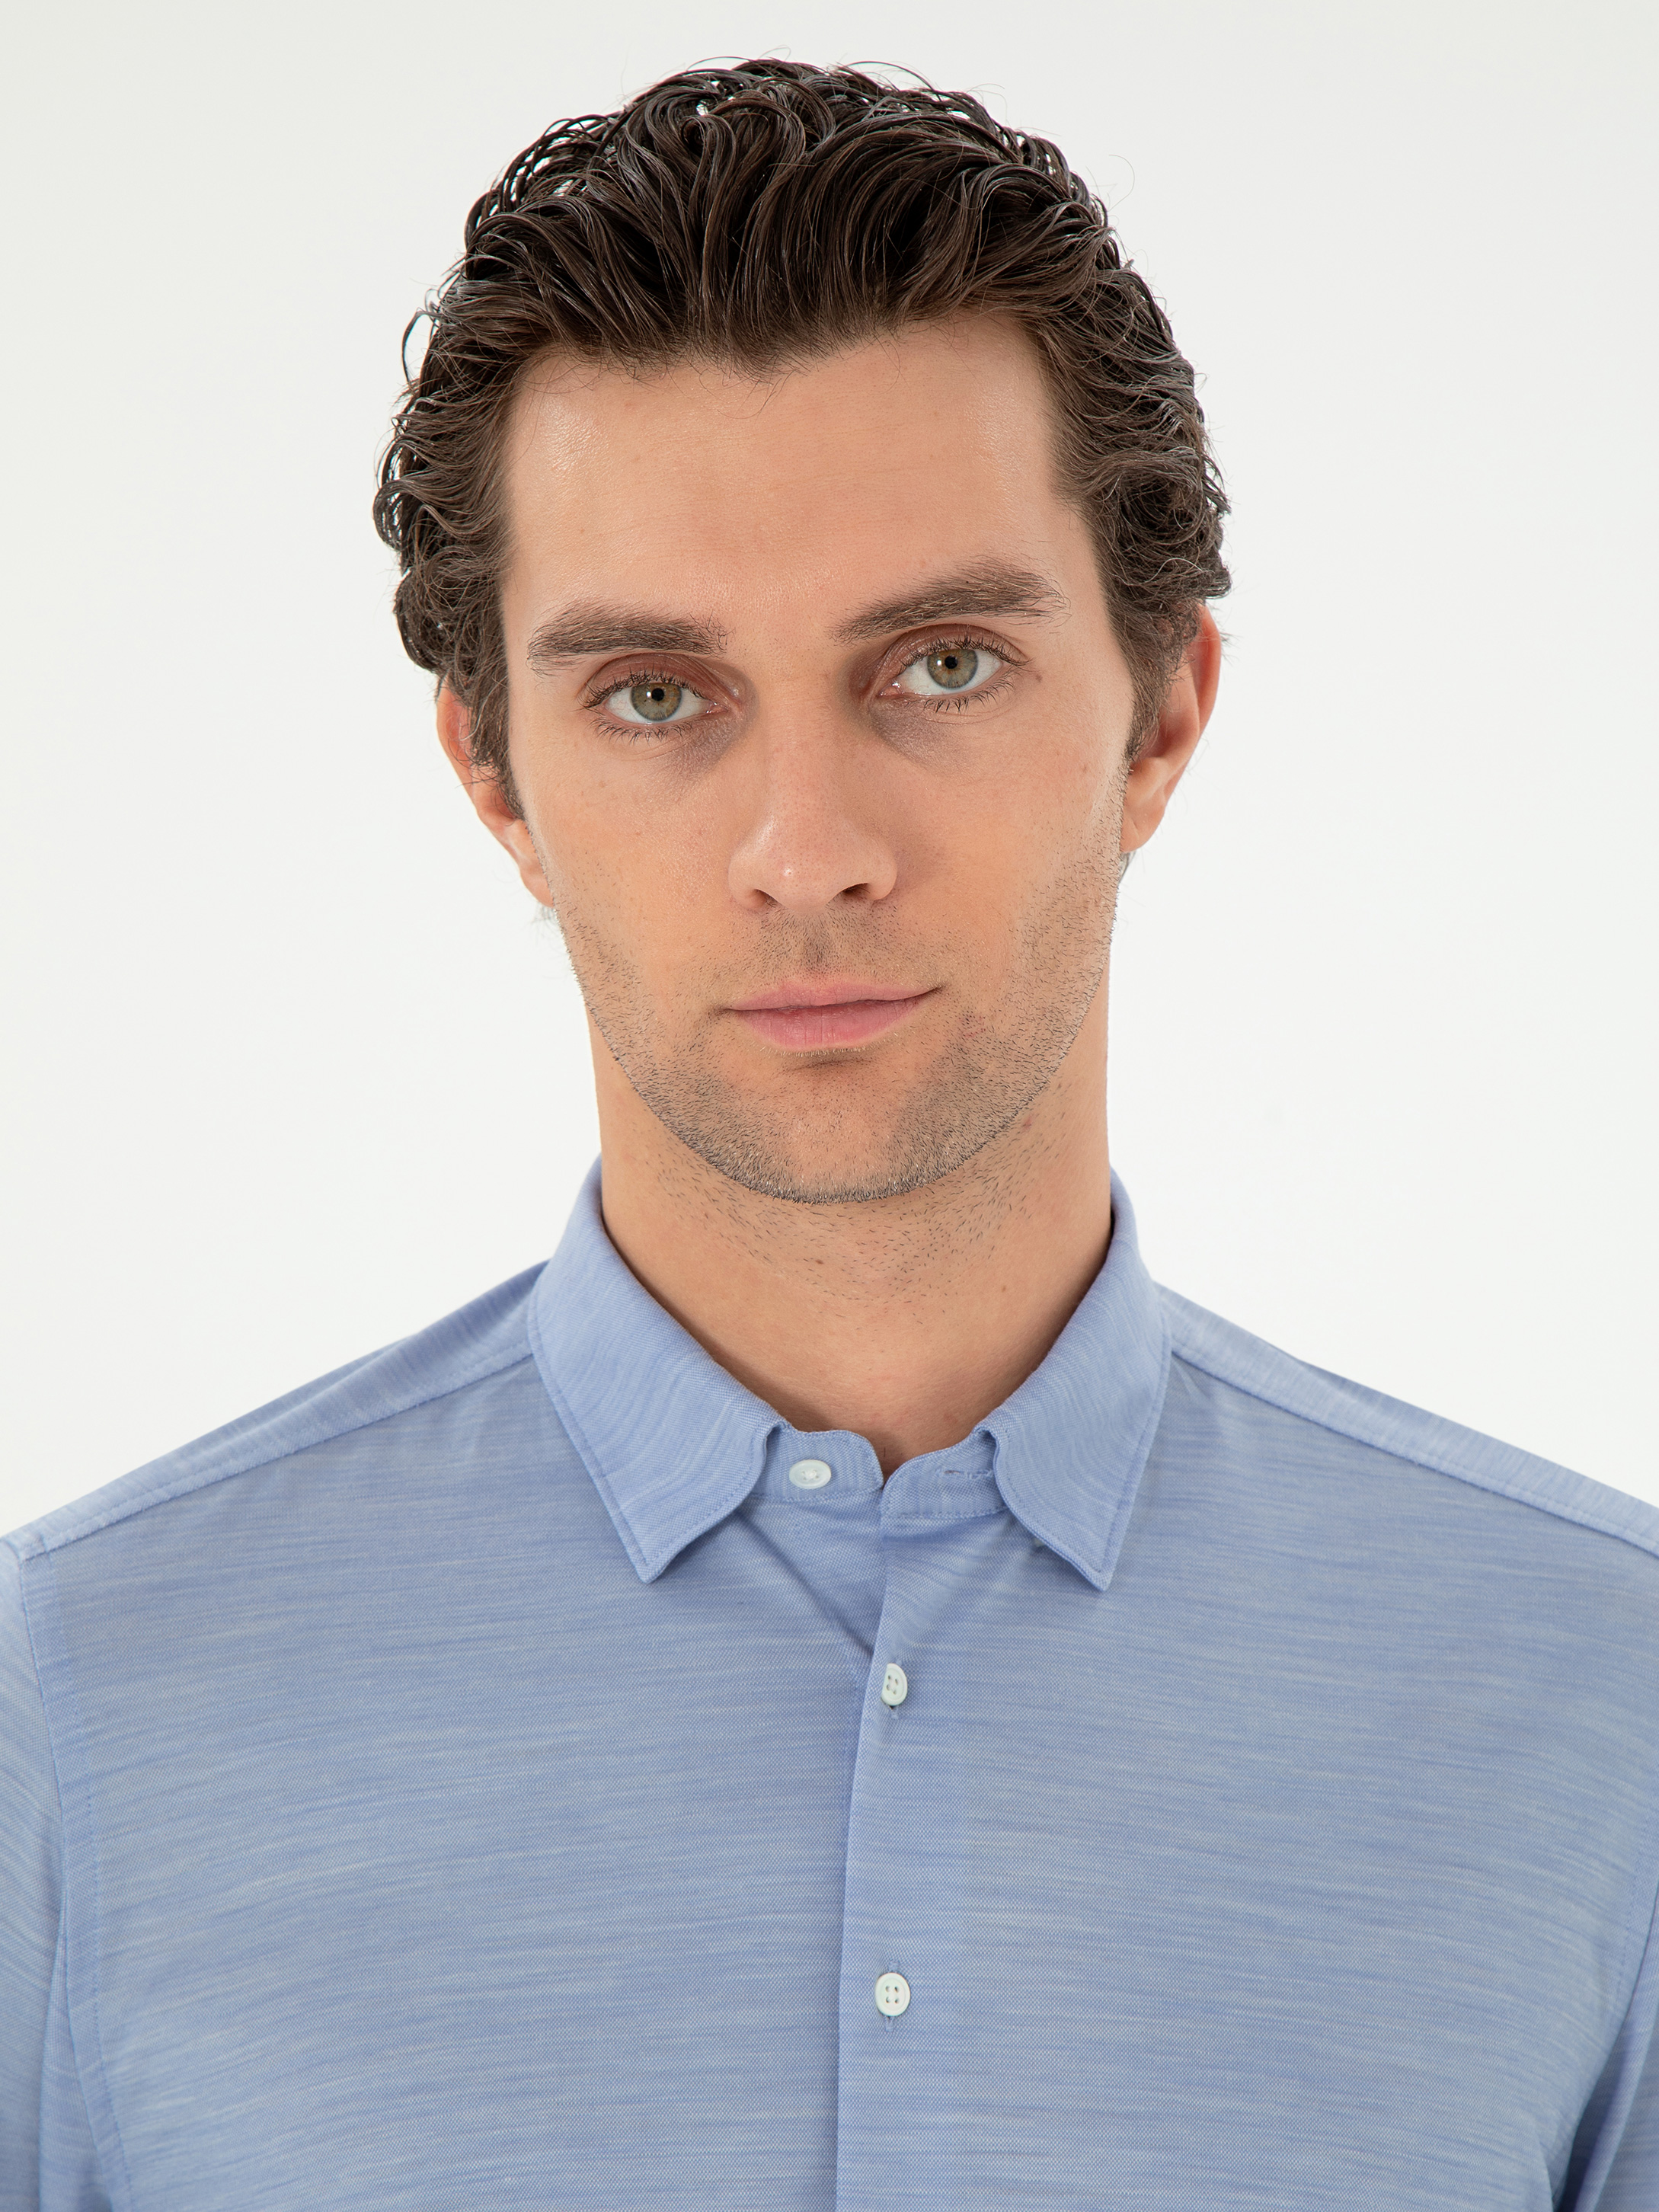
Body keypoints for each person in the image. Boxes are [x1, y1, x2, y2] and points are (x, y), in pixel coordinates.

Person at [2, 57, 1654, 2210]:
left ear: (1160, 715)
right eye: (655, 695)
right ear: (493, 776)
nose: (807, 849)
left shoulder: (1604, 1710)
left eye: (940, 666)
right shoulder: (77, 1713)